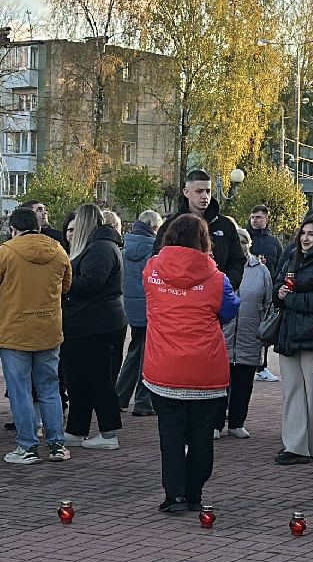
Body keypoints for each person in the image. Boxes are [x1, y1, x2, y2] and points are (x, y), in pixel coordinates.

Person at [141, 213, 238, 513]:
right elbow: (230, 309)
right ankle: (195, 492)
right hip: (206, 369)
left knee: (169, 435)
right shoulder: (217, 279)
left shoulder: (152, 270)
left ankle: (175, 496)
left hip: (164, 367)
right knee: (201, 435)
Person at [0, 206, 73, 465]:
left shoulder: (4, 253)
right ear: (38, 227)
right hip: (48, 329)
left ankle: (27, 446)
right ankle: (57, 444)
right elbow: (66, 286)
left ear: (13, 229)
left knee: (21, 391)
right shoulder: (58, 251)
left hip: (14, 330)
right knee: (49, 388)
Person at [270, 213, 313, 465]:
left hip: (312, 336)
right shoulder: (292, 257)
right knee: (292, 391)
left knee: (312, 393)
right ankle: (295, 445)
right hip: (289, 333)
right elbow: (277, 285)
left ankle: (310, 445)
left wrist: (290, 298)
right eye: (303, 233)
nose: (306, 238)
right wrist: (279, 292)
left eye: (311, 234)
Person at [61, 203, 126, 449]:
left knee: (99, 380)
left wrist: (62, 281)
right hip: (88, 323)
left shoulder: (100, 248)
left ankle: (109, 433)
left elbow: (90, 283)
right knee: (79, 380)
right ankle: (77, 429)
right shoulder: (100, 246)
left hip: (96, 325)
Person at [218, 228, 276, 439]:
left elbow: (269, 303)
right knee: (219, 385)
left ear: (249, 244)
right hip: (223, 335)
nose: (240, 245)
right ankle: (216, 424)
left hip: (250, 335)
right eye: (237, 241)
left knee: (243, 383)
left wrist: (264, 330)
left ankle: (237, 423)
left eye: (244, 242)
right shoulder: (220, 267)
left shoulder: (261, 271)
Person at [160, 170, 245, 286]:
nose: (205, 196)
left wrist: (226, 285)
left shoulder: (225, 225)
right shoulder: (171, 225)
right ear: (186, 192)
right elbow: (160, 259)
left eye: (208, 191)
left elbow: (237, 260)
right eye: (199, 191)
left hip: (216, 291)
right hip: (180, 293)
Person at [117, 210, 159, 417]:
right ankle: (143, 401)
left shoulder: (125, 248)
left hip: (130, 308)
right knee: (147, 354)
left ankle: (120, 396)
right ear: (154, 227)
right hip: (150, 308)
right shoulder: (154, 249)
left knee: (135, 350)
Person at [246, 204, 284, 273]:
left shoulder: (275, 242)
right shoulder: (244, 239)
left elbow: (281, 267)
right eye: (252, 217)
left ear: (266, 220)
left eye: (258, 217)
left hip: (269, 278)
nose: (254, 220)